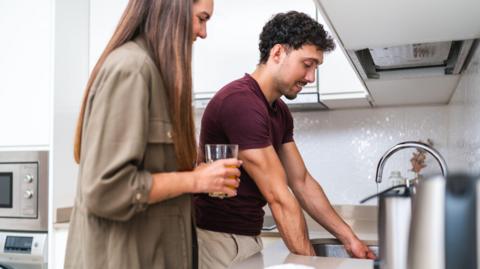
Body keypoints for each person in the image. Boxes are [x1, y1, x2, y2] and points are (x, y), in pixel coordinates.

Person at [64, 0, 242, 268]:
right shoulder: (132, 69)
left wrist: (197, 176)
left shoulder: (157, 74)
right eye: (201, 18)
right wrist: (195, 181)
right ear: (174, 9)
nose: (204, 32)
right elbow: (105, 190)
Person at [194, 11, 376, 268]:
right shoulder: (240, 103)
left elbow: (301, 182)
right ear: (277, 53)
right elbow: (279, 196)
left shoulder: (279, 111)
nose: (311, 78)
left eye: (315, 67)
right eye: (307, 64)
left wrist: (350, 239)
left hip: (246, 238)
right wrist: (313, 264)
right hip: (219, 241)